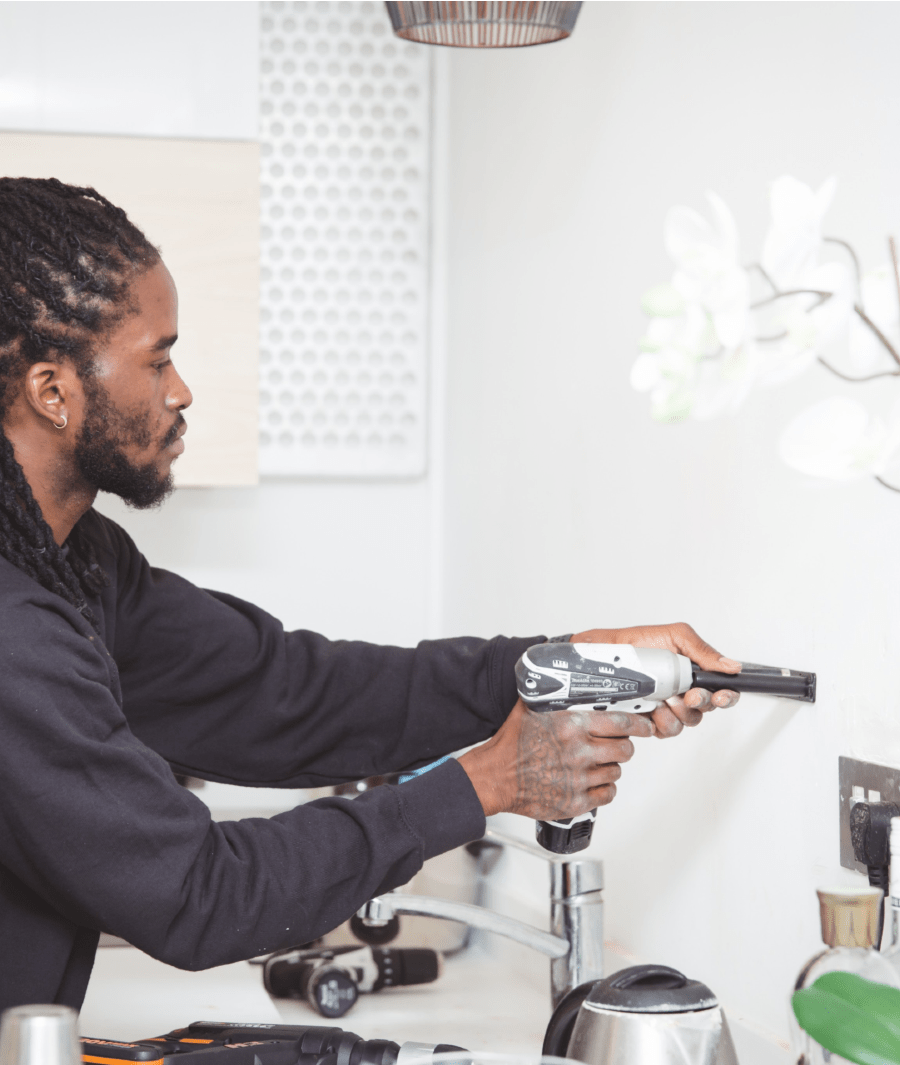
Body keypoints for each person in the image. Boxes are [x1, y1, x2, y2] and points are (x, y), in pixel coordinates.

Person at [0, 177, 740, 1013]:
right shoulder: (16, 637)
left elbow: (288, 693)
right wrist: (489, 780)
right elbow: (196, 892)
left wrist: (557, 664)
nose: (182, 390)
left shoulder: (76, 564)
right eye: (158, 358)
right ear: (52, 391)